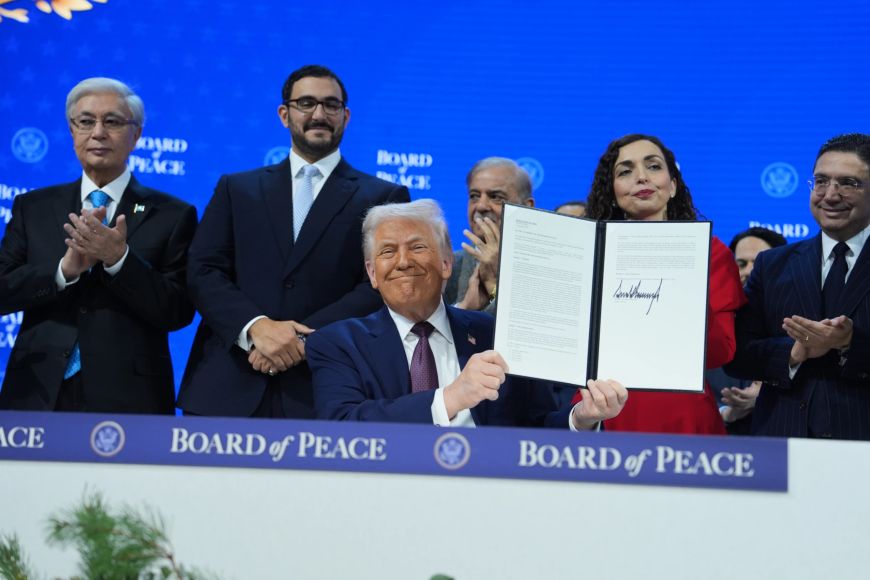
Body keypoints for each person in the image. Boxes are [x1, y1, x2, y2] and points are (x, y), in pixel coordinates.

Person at [178, 65, 409, 418]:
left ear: (345, 116)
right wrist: (255, 328)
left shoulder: (383, 196)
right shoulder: (236, 189)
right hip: (229, 384)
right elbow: (203, 270)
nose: (319, 114)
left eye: (331, 105)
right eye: (306, 103)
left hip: (326, 389)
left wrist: (303, 340)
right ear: (284, 114)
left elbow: (380, 285)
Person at [307, 199, 627, 428]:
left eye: (418, 247)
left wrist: (581, 418)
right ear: (372, 273)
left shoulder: (498, 335)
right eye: (388, 251)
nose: (403, 262)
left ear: (447, 263)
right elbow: (341, 425)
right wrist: (450, 398)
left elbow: (538, 426)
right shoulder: (338, 343)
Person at [0, 77, 197, 413]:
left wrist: (119, 259)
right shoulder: (33, 207)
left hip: (129, 397)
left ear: (136, 135)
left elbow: (178, 311)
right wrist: (63, 271)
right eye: (86, 121)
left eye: (113, 122)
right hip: (37, 390)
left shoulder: (173, 214)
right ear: (72, 130)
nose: (98, 133)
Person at [576, 134, 745, 434]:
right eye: (625, 171)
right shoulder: (587, 253)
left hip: (683, 414)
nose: (641, 177)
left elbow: (721, 351)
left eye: (653, 166)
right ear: (612, 192)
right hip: (601, 407)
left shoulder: (710, 252)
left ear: (673, 186)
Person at [726, 134, 870, 439]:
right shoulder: (772, 265)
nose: (830, 195)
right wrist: (794, 351)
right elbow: (738, 355)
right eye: (821, 181)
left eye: (848, 183)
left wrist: (850, 343)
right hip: (782, 446)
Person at [709, 227, 787, 433]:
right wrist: (726, 413)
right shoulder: (710, 328)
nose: (749, 271)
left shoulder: (797, 326)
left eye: (759, 263)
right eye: (741, 264)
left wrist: (766, 395)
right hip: (716, 442)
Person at [443, 157, 534, 313]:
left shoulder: (543, 268)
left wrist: (493, 285)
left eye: (496, 197)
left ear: (526, 207)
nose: (481, 206)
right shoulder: (447, 267)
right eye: (474, 196)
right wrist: (463, 308)